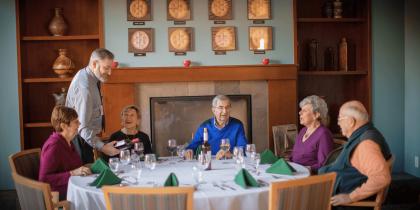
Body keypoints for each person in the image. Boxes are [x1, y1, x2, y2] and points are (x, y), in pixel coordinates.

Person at [319, 101, 392, 207]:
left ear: (350, 121)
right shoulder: (368, 132)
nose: (338, 123)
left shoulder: (365, 144)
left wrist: (350, 197)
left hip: (341, 203)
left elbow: (381, 177)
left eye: (339, 119)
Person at [66, 48, 119, 164]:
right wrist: (103, 147)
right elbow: (82, 128)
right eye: (106, 68)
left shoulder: (91, 77)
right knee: (85, 179)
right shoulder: (85, 88)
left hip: (86, 138)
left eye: (111, 68)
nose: (110, 73)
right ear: (94, 64)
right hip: (79, 139)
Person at [39, 106, 92, 200]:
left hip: (74, 187)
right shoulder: (54, 146)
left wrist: (87, 167)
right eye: (76, 122)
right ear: (64, 126)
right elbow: (44, 179)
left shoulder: (68, 141)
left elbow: (72, 167)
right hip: (61, 195)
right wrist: (72, 173)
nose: (79, 123)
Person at [290, 95, 334, 172]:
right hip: (294, 172)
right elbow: (294, 156)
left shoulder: (324, 134)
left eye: (304, 111)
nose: (300, 113)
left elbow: (324, 164)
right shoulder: (303, 131)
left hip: (309, 176)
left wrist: (305, 169)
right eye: (301, 110)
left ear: (316, 115)